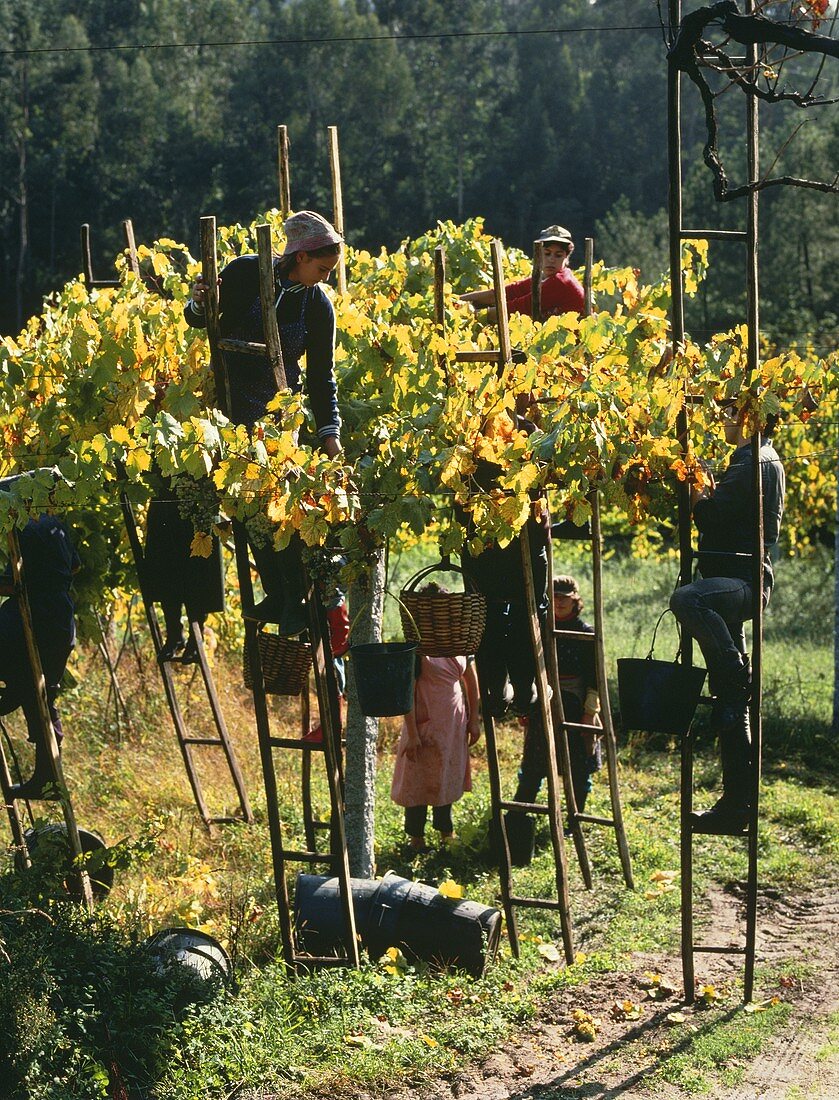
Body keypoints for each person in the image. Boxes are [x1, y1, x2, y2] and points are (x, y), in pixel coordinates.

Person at [186, 210, 343, 636]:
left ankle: (292, 599)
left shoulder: (317, 305)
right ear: (299, 256)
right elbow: (202, 321)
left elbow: (321, 377)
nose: (325, 279)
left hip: (279, 415)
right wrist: (201, 300)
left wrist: (331, 437)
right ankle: (280, 594)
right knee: (248, 508)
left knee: (275, 508)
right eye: (322, 269)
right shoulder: (243, 272)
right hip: (231, 404)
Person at [669, 403, 785, 834]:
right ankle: (737, 806)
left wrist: (698, 491)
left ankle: (733, 667)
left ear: (753, 418)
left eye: (733, 411)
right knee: (732, 707)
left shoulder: (752, 459)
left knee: (686, 600)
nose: (724, 417)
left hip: (739, 582)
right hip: (735, 577)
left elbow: (713, 516)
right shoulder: (757, 458)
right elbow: (732, 515)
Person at [0, 510, 80, 799]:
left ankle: (12, 696)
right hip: (61, 621)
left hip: (35, 621)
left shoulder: (21, 527)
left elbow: (15, 583)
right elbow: (74, 568)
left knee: (29, 687)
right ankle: (48, 782)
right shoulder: (54, 524)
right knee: (44, 698)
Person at [391, 607, 481, 851]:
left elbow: (471, 682)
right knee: (418, 776)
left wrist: (474, 720)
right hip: (423, 720)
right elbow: (405, 691)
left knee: (446, 774)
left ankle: (445, 832)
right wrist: (412, 733)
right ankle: (416, 838)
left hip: (452, 722)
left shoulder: (459, 642)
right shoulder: (417, 648)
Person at [459, 224, 585, 320]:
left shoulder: (561, 282)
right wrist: (457, 301)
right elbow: (502, 293)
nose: (551, 259)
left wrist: (466, 315)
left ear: (566, 258)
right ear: (538, 255)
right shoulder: (545, 278)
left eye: (558, 255)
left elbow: (515, 309)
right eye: (547, 254)